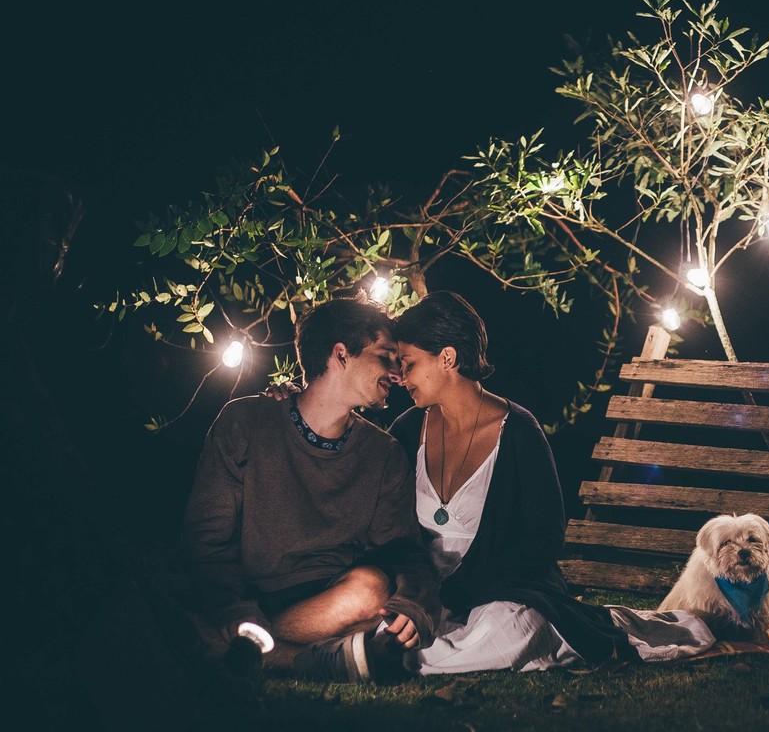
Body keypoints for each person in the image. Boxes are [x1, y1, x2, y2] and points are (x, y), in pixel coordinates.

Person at [385, 291, 714, 675]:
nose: (401, 378)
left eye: (408, 364)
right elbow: (389, 524)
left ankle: (393, 659)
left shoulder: (518, 431)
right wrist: (420, 593)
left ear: (447, 358)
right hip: (422, 591)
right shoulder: (409, 430)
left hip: (499, 592)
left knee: (512, 628)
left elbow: (543, 539)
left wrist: (456, 594)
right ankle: (405, 650)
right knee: (376, 613)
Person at [182, 296, 441, 684]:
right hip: (251, 596)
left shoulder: (382, 453)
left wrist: (414, 605)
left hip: (333, 605)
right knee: (174, 608)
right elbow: (207, 544)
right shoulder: (245, 422)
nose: (397, 374)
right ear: (341, 354)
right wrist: (237, 611)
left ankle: (248, 649)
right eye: (385, 356)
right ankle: (312, 661)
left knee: (371, 590)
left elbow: (403, 554)